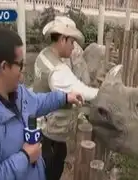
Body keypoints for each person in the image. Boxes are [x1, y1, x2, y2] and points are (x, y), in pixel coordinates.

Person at [0, 27, 83, 180]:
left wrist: (64, 97)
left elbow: (37, 102)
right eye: (20, 65)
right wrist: (25, 157)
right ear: (4, 67)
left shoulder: (17, 93)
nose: (22, 75)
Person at [32, 16, 99, 180]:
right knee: (51, 171)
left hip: (43, 128)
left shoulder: (44, 55)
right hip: (50, 133)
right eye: (72, 42)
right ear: (62, 39)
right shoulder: (58, 71)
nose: (74, 46)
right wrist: (106, 94)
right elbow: (82, 90)